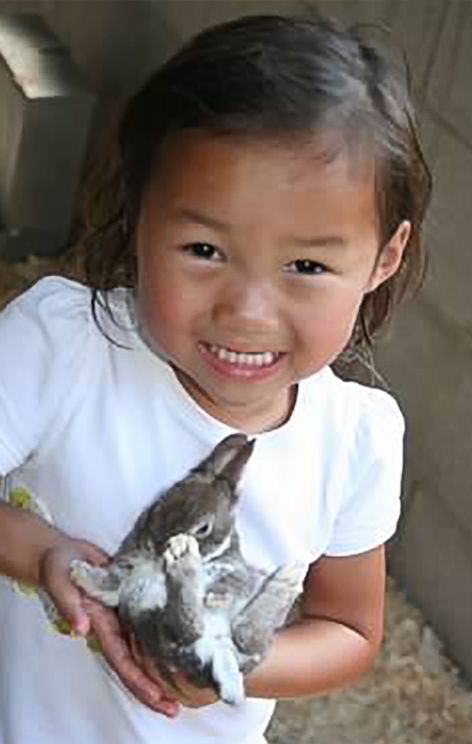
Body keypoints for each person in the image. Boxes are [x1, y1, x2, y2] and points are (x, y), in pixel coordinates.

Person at [0, 14, 430, 743]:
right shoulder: (64, 346)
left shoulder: (357, 436)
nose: (247, 311)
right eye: (204, 249)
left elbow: (349, 630)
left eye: (307, 266)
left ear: (384, 258)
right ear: (138, 216)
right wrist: (45, 554)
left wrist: (232, 662)